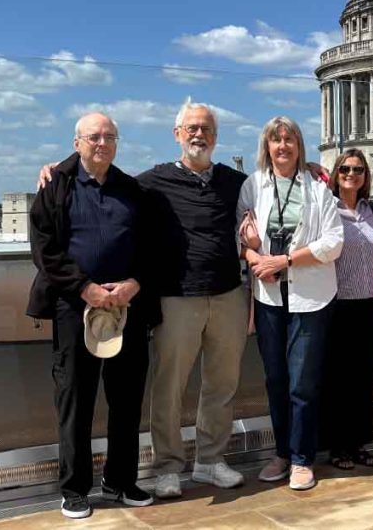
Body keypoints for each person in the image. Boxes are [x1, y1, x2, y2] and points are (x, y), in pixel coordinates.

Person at [38, 100, 249, 500]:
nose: (198, 135)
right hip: (168, 298)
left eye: (205, 129)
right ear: (177, 134)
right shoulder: (151, 181)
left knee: (218, 385)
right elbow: (85, 188)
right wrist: (56, 168)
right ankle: (165, 467)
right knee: (164, 387)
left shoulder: (234, 182)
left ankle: (208, 462)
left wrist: (313, 169)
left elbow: (273, 183)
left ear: (216, 137)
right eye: (190, 128)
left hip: (221, 294)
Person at [27, 112, 158, 519]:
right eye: (94, 137)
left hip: (125, 307)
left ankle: (120, 480)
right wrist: (85, 288)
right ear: (77, 142)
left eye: (110, 137)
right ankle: (74, 488)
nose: (102, 143)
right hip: (74, 306)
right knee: (75, 398)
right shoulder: (56, 185)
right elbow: (44, 248)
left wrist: (133, 284)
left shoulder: (132, 189)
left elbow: (152, 247)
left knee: (126, 398)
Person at [238, 116, 343, 491]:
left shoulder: (318, 187)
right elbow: (243, 238)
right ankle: (281, 452)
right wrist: (257, 262)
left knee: (303, 381)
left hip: (310, 296)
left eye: (290, 140)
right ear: (266, 146)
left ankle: (302, 457)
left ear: (300, 146)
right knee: (276, 378)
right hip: (268, 295)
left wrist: (284, 261)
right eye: (275, 140)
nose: (282, 146)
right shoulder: (253, 186)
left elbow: (334, 242)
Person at [319, 149, 373, 470]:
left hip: (370, 301)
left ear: (366, 176)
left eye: (359, 169)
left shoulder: (372, 211)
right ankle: (338, 446)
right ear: (336, 174)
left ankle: (360, 442)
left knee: (364, 378)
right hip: (339, 303)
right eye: (346, 169)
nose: (352, 174)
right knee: (338, 378)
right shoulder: (326, 209)